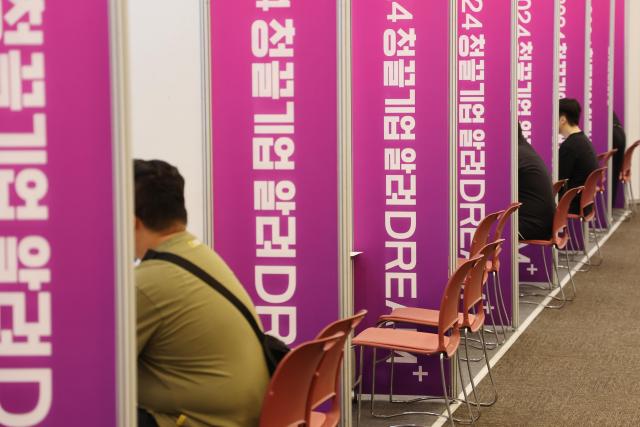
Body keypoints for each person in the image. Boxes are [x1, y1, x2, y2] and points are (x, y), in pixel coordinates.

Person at [134, 159, 269, 427]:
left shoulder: (149, 281)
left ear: (131, 222)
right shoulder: (199, 254)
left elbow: (97, 367)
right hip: (245, 414)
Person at [558, 98, 598, 214]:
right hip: (585, 203)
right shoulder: (583, 141)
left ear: (562, 119)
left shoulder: (570, 146)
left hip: (572, 204)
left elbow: (559, 183)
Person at [517, 123, 556, 240]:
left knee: (479, 227)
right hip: (544, 223)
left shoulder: (516, 154)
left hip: (533, 226)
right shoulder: (524, 149)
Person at [612, 112, 626, 204]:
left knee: (613, 174)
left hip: (614, 132)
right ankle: (610, 207)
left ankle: (610, 207)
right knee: (614, 173)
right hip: (619, 132)